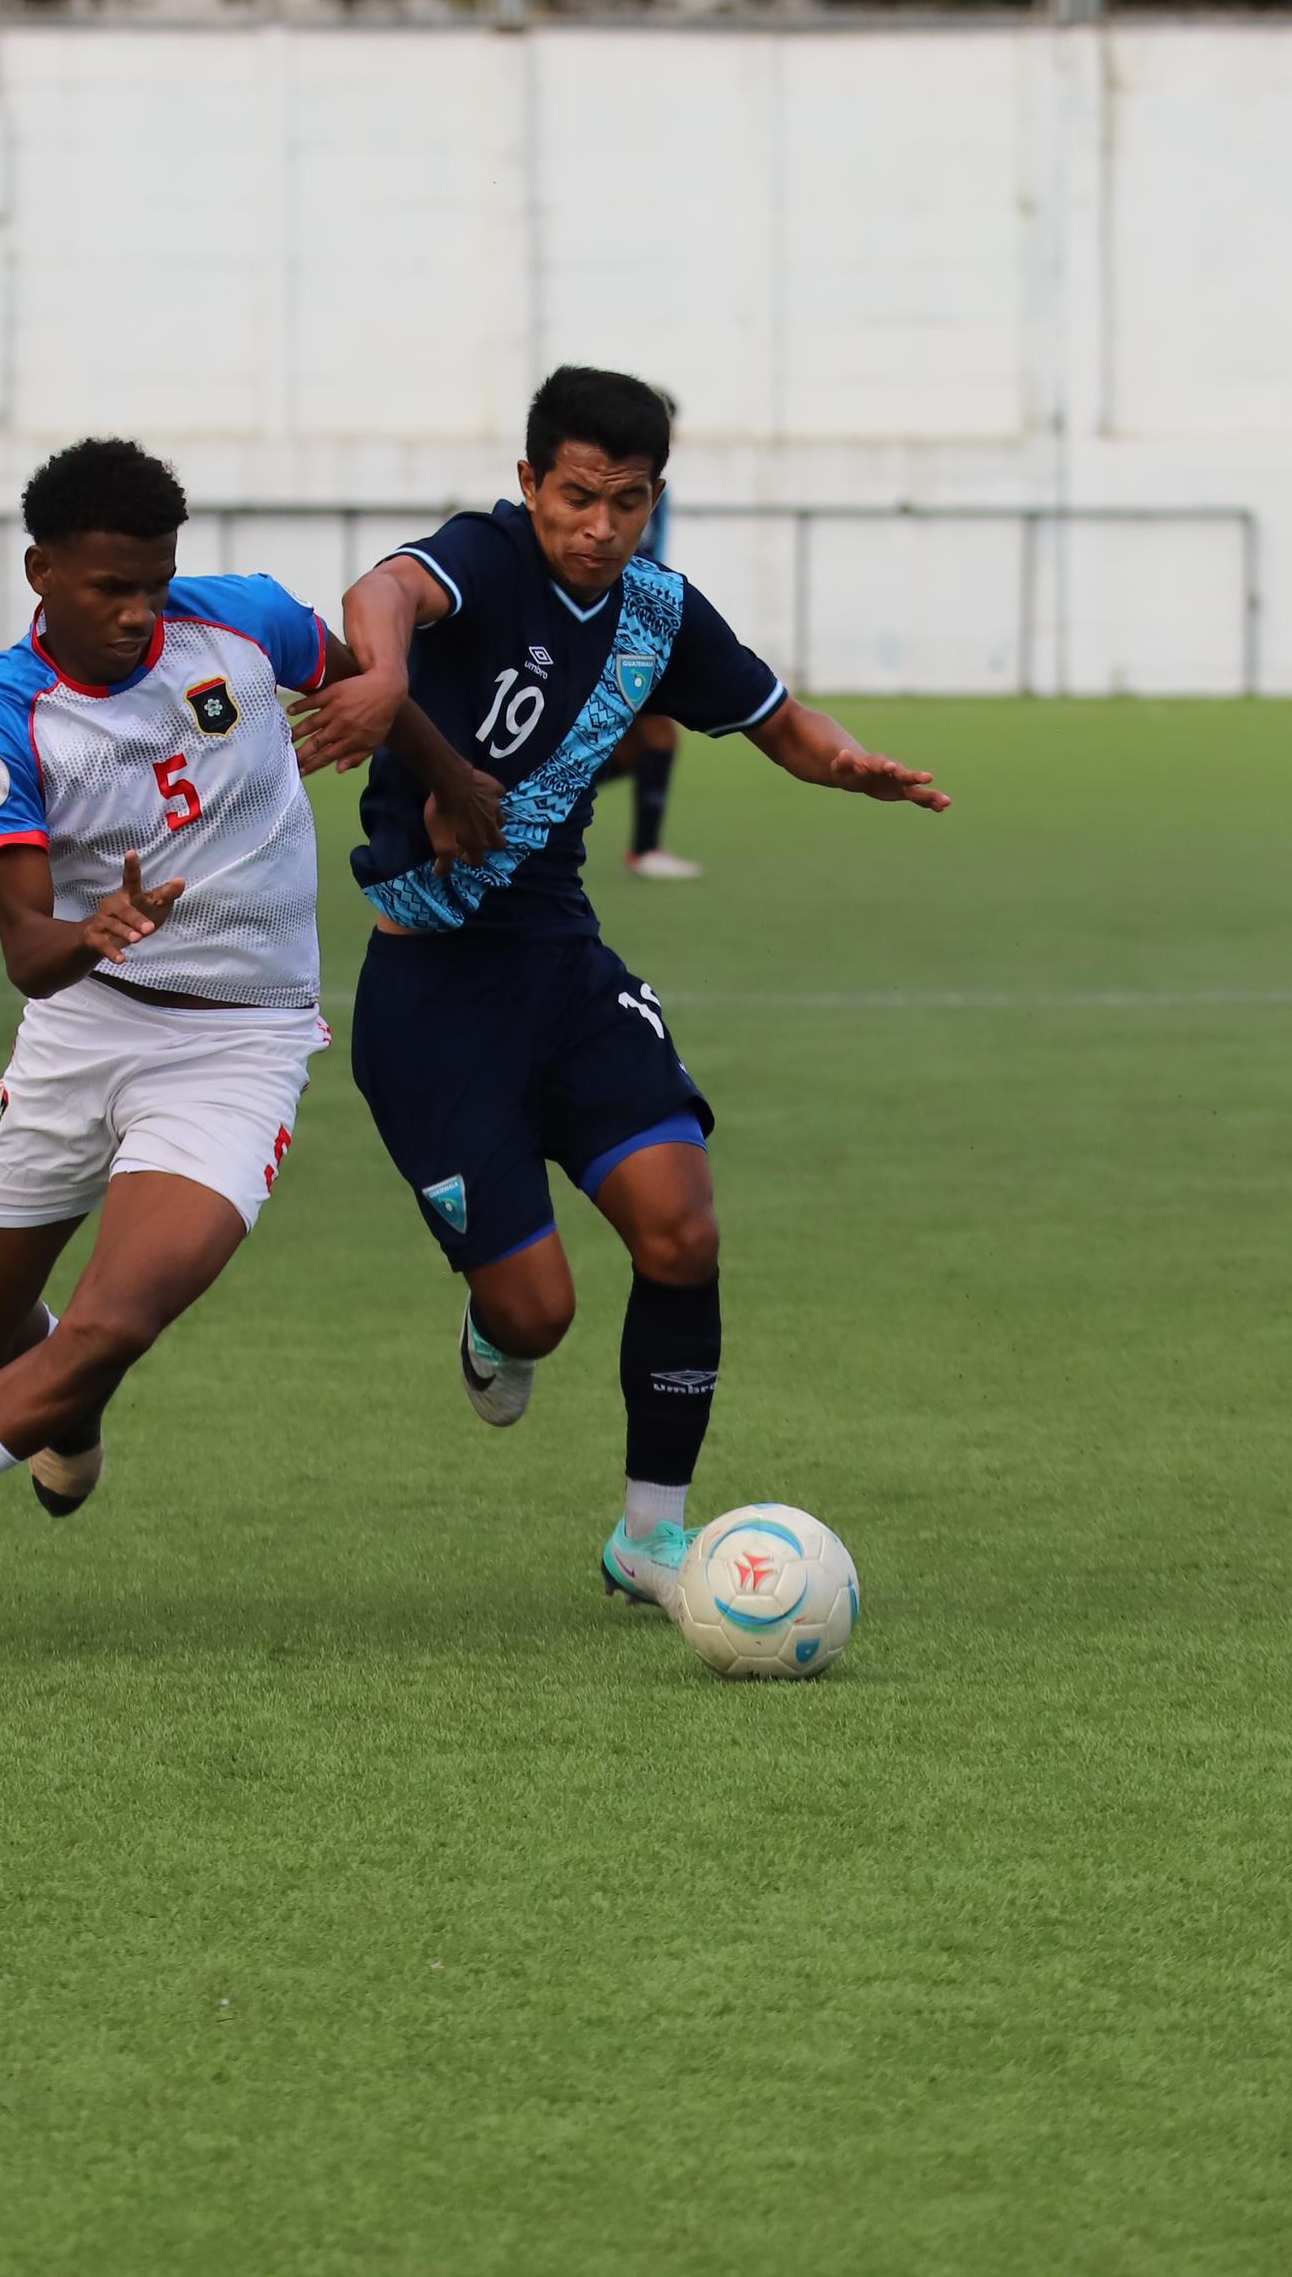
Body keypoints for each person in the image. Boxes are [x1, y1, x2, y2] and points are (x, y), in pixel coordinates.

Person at [0, 439, 497, 1653]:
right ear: (40, 572)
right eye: (108, 588)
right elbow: (27, 955)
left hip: (239, 1050)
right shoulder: (1, 716)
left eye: (155, 580)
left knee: (110, 1320)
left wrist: (446, 779)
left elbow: (371, 690)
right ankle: (69, 1419)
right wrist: (97, 928)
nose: (140, 611)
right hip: (80, 1024)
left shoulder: (240, 624)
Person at [295, 366, 948, 1610]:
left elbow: (773, 715)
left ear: (655, 502)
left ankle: (651, 1533)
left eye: (629, 502)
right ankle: (495, 1323)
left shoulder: (655, 610)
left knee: (682, 1228)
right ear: (530, 479)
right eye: (577, 495)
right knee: (538, 1313)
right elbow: (379, 590)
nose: (598, 527)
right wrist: (380, 676)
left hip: (562, 968)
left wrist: (844, 763)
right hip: (430, 998)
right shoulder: (483, 559)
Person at [615, 486, 699, 880]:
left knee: (638, 749)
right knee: (658, 738)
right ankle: (645, 849)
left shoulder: (657, 490)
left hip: (639, 624)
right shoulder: (622, 485)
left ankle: (520, 803)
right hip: (620, 626)